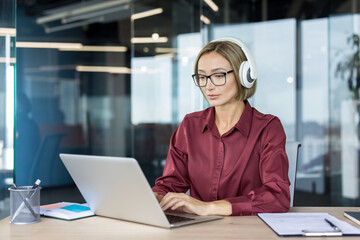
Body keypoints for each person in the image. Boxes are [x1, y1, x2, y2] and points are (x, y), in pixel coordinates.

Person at [152, 37, 290, 216]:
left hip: (249, 229)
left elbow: (277, 196)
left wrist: (209, 207)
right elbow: (171, 183)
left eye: (218, 75)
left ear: (244, 76)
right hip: (199, 230)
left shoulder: (268, 128)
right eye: (202, 77)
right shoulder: (189, 126)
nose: (208, 86)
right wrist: (153, 197)